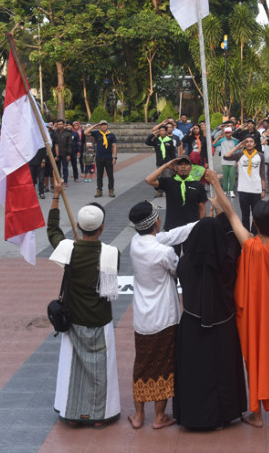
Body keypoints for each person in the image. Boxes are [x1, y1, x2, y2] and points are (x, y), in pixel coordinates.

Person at [204, 170, 269, 428]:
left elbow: (231, 214)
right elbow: (233, 214)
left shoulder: (250, 246)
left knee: (252, 357)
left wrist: (216, 185)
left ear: (254, 222)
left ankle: (255, 414)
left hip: (250, 313)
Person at [48, 183, 121, 429]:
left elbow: (53, 231)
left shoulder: (69, 249)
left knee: (74, 367)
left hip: (73, 319)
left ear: (78, 226)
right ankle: (99, 416)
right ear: (102, 228)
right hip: (100, 319)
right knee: (101, 368)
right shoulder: (111, 253)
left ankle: (74, 413)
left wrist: (56, 196)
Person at [128, 201, 198, 429]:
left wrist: (197, 224)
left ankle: (138, 415)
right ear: (156, 222)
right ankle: (159, 416)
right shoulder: (164, 252)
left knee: (142, 364)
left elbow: (171, 235)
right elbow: (177, 268)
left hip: (142, 317)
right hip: (164, 316)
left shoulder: (135, 242)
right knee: (165, 365)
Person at [173, 215, 247, 429]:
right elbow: (235, 240)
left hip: (192, 324)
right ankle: (222, 416)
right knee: (222, 370)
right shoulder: (228, 261)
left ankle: (192, 415)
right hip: (223, 324)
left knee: (194, 372)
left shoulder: (186, 263)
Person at [224, 136, 266, 234]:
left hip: (256, 189)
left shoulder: (260, 156)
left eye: (251, 141)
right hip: (243, 189)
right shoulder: (240, 155)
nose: (249, 143)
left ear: (255, 144)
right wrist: (238, 146)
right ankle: (246, 234)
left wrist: (263, 189)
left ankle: (254, 234)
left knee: (256, 214)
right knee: (245, 215)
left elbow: (262, 173)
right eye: (246, 142)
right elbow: (226, 156)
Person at [84, 120, 117, 198]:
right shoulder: (97, 133)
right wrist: (95, 125)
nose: (103, 126)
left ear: (107, 126)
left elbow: (114, 146)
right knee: (99, 175)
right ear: (100, 126)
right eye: (102, 125)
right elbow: (86, 133)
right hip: (99, 157)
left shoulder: (111, 135)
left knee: (110, 175)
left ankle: (111, 190)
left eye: (105, 125)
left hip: (108, 157)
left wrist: (114, 157)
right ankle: (99, 190)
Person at [213, 125, 238, 197]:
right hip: (224, 161)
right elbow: (214, 144)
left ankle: (231, 191)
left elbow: (236, 151)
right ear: (224, 133)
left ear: (231, 133)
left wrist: (236, 160)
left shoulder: (235, 141)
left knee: (232, 176)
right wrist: (218, 137)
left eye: (229, 133)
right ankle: (225, 191)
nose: (227, 134)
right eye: (226, 133)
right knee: (225, 176)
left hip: (232, 161)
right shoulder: (222, 140)